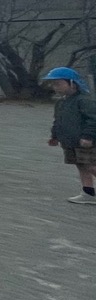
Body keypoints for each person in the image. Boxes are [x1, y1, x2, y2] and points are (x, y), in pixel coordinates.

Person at [41, 66, 96, 205]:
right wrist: (54, 136)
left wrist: (88, 136)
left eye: (58, 83)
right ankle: (88, 193)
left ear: (72, 83)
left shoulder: (84, 100)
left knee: (91, 166)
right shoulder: (61, 102)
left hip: (85, 141)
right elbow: (58, 120)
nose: (55, 87)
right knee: (81, 166)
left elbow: (93, 119)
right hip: (71, 141)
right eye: (53, 84)